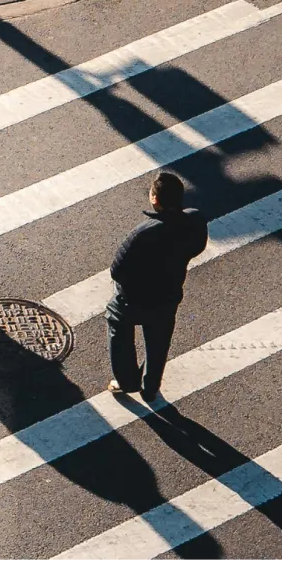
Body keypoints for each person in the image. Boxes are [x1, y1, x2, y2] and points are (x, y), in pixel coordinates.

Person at [105, 171, 207, 402]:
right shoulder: (195, 221)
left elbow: (117, 270)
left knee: (117, 323)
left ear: (154, 200)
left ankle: (127, 380)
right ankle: (150, 387)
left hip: (134, 299)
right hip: (167, 296)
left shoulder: (142, 233)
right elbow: (197, 247)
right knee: (158, 341)